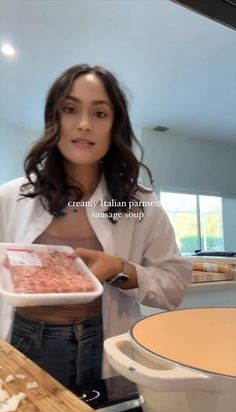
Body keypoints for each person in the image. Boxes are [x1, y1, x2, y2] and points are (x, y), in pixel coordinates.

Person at [0, 64, 191, 391]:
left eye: (100, 114)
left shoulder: (141, 204)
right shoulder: (10, 196)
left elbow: (174, 285)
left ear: (114, 126)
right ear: (54, 120)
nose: (84, 124)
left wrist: (120, 270)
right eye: (70, 109)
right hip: (25, 339)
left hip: (106, 343)